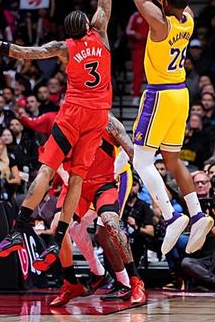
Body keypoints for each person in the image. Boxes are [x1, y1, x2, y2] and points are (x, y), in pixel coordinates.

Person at [0, 0, 126, 269]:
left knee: (47, 169)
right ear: (88, 24)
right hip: (98, 116)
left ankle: (19, 228)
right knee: (78, 178)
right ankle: (58, 240)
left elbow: (22, 52)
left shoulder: (63, 47)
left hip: (74, 112)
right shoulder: (100, 32)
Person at [128, 0, 213, 256]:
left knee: (141, 160)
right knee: (173, 160)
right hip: (180, 94)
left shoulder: (159, 24)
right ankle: (198, 214)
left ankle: (172, 215)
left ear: (163, 4)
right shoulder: (187, 18)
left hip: (159, 94)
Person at [49, 115, 146, 306]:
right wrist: (65, 176)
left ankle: (128, 282)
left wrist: (114, 172)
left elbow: (128, 150)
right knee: (70, 229)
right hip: (82, 181)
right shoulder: (67, 120)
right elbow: (55, 157)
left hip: (113, 177)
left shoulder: (107, 121)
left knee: (105, 231)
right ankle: (94, 274)